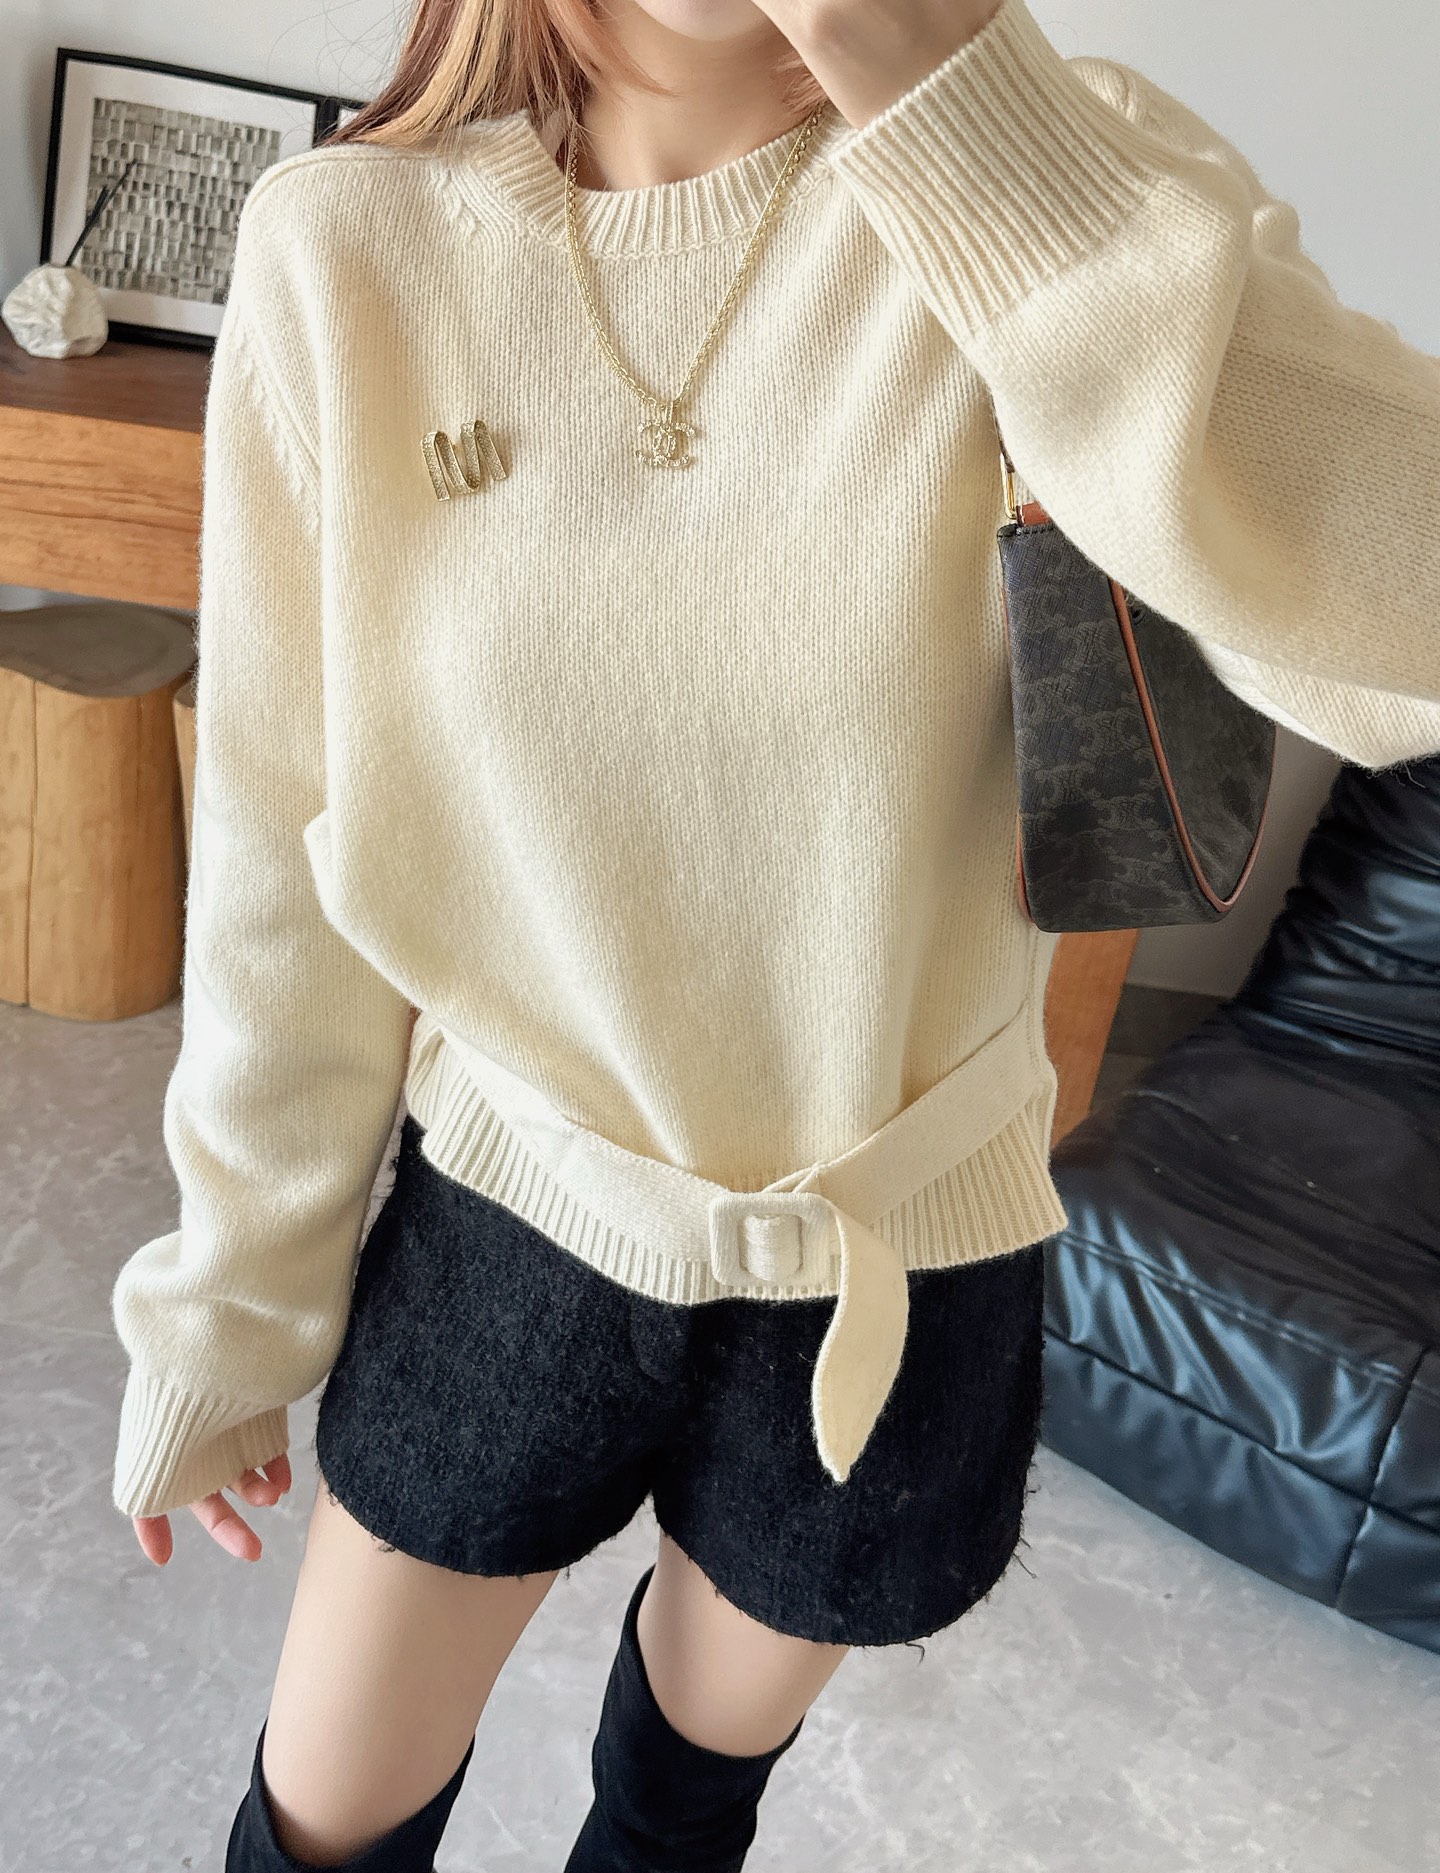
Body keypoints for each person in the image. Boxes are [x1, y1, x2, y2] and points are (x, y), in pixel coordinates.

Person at [108, 0, 1440, 1863]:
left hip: (900, 1253)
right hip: (518, 1216)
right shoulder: (353, 250)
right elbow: (280, 851)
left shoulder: (1052, 169)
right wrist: (230, 1303)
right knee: (319, 1827)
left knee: (677, 1820)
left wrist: (974, 132)